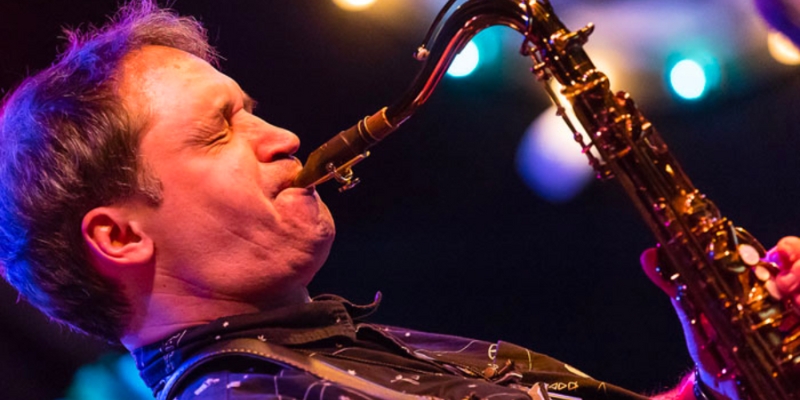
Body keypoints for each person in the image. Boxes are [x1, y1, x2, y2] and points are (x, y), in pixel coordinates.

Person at [0, 1, 796, 399]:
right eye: (219, 133)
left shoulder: (333, 357)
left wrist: (722, 379)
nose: (280, 136)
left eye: (251, 110)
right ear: (119, 235)